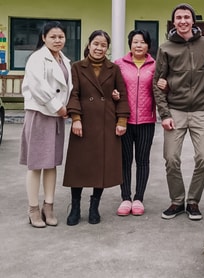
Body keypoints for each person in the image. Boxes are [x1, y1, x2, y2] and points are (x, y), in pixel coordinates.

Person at [63, 30, 130, 225]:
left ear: (107, 49)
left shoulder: (114, 68)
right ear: (89, 44)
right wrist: (75, 117)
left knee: (100, 167)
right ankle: (75, 207)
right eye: (96, 44)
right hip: (83, 122)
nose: (99, 48)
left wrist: (122, 121)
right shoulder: (76, 67)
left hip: (106, 122)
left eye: (103, 45)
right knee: (79, 167)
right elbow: (73, 94)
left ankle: (94, 207)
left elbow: (122, 95)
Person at [153, 3, 204, 221]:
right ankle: (177, 201)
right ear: (173, 21)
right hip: (175, 110)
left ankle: (193, 201)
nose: (183, 21)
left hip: (200, 110)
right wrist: (165, 114)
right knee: (171, 158)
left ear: (193, 20)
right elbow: (157, 83)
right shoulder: (166, 47)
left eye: (187, 17)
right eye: (178, 17)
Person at [19, 21, 72, 228]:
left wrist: (63, 109)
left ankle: (48, 206)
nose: (57, 40)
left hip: (57, 115)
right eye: (53, 37)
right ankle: (33, 209)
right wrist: (57, 106)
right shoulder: (37, 58)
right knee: (36, 164)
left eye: (61, 37)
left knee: (51, 162)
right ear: (43, 38)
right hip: (41, 113)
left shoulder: (64, 60)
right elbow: (37, 86)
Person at [114, 30, 156, 216]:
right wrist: (113, 93)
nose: (138, 45)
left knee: (143, 160)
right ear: (130, 44)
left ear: (148, 45)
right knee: (124, 160)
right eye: (135, 42)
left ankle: (138, 198)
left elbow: (162, 90)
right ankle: (125, 198)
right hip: (124, 119)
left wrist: (166, 85)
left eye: (142, 42)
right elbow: (111, 86)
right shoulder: (119, 65)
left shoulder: (155, 65)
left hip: (147, 120)